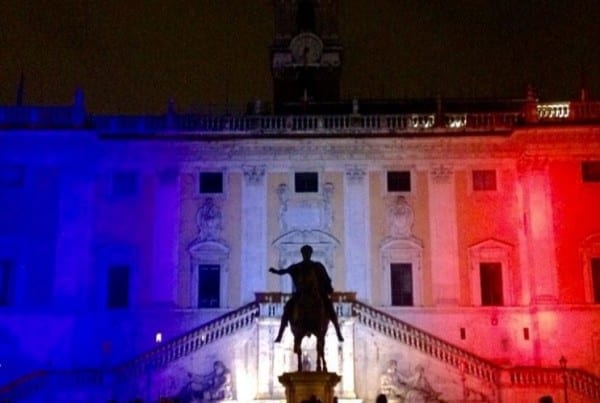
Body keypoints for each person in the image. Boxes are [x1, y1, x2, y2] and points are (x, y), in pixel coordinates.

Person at [269, 244, 344, 343]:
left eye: (308, 253)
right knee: (287, 308)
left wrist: (328, 288)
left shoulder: (317, 266)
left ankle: (338, 332)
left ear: (310, 254)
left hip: (316, 293)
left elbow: (326, 278)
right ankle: (280, 335)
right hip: (300, 294)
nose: (306, 254)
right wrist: (275, 271)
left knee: (330, 307)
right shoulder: (297, 266)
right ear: (302, 254)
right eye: (305, 253)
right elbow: (284, 271)